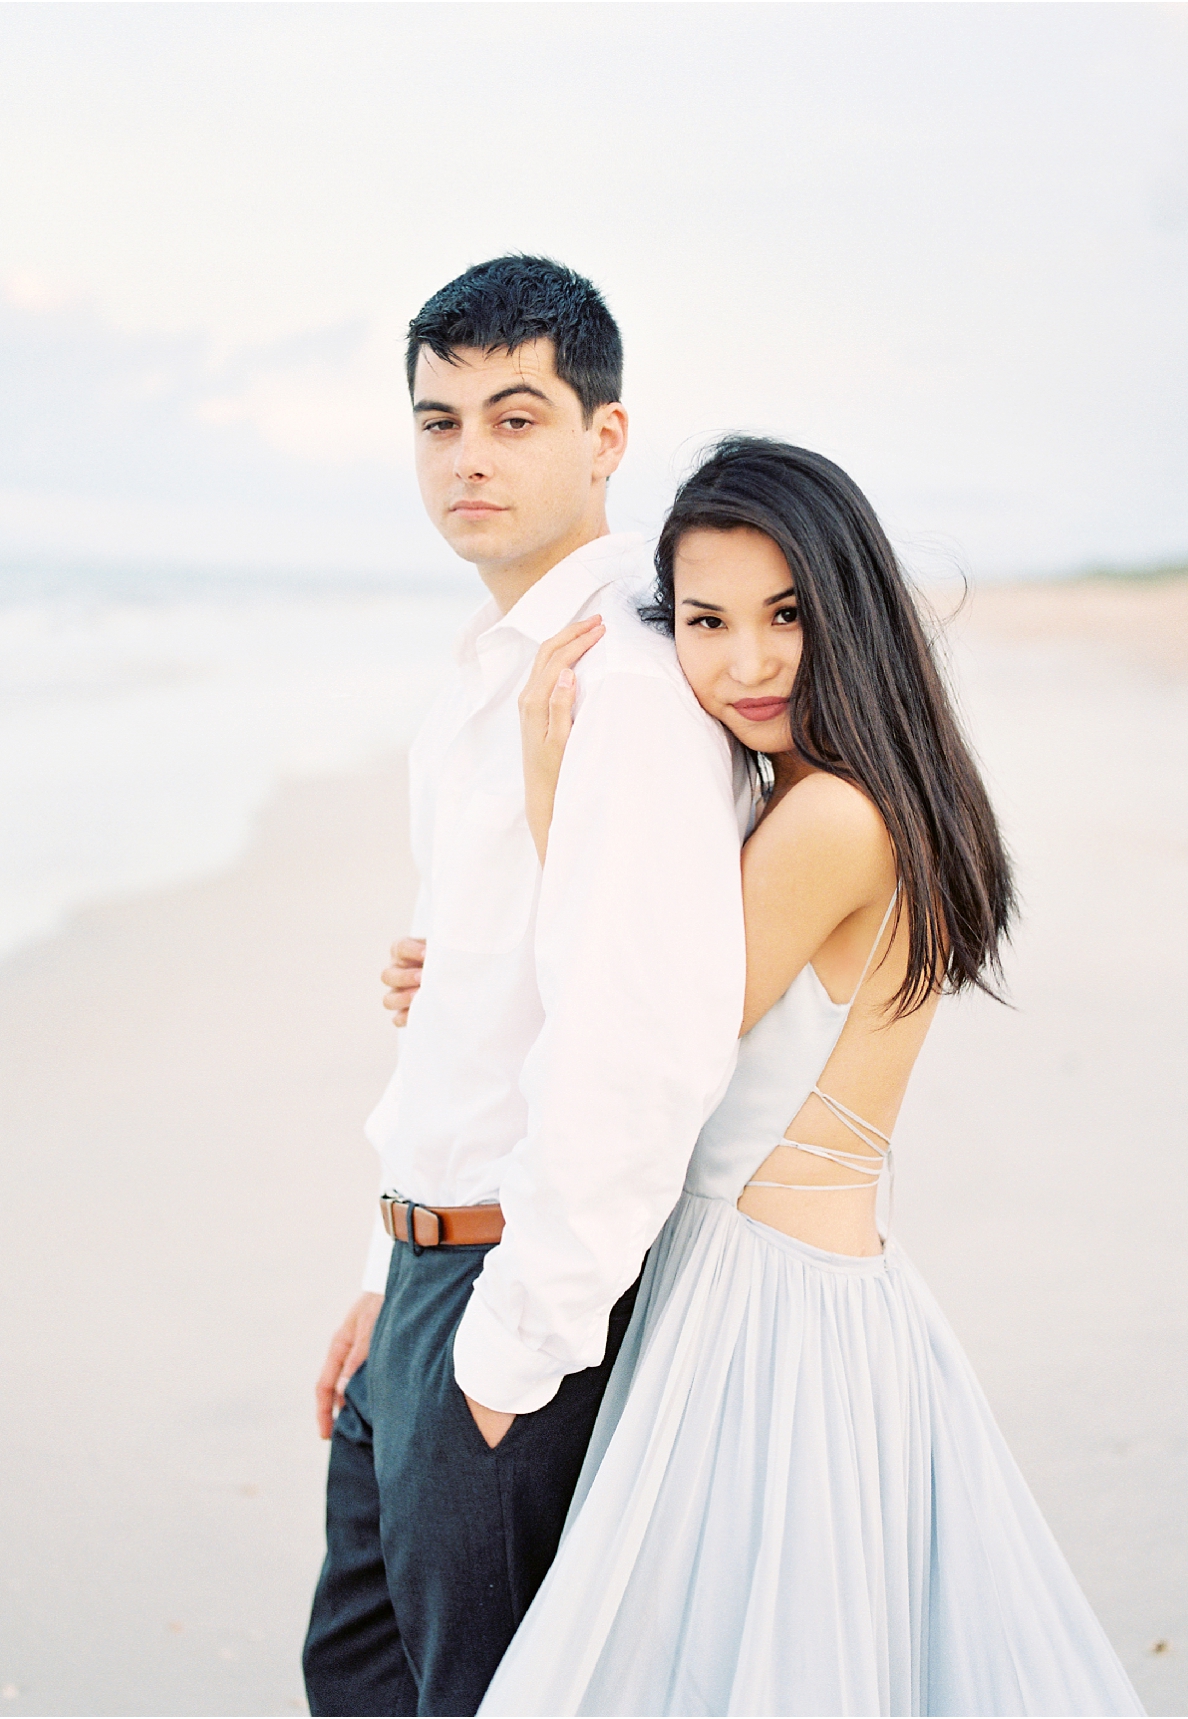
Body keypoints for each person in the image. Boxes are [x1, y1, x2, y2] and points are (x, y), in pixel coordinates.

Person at [471, 438, 1145, 1716]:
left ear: (849, 607)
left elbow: (641, 1032)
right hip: (825, 1286)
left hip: (761, 1307)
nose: (745, 662)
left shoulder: (829, 820)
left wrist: (549, 786)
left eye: (784, 614)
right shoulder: (875, 795)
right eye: (706, 622)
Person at [301, 257, 747, 1717]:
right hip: (428, 1275)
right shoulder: (496, 667)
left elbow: (643, 1033)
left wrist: (512, 1346)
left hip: (509, 1294)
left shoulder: (613, 676)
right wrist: (384, 1276)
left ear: (603, 439)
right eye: (438, 423)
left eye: (513, 415)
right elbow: (480, 1006)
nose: (469, 456)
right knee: (362, 1679)